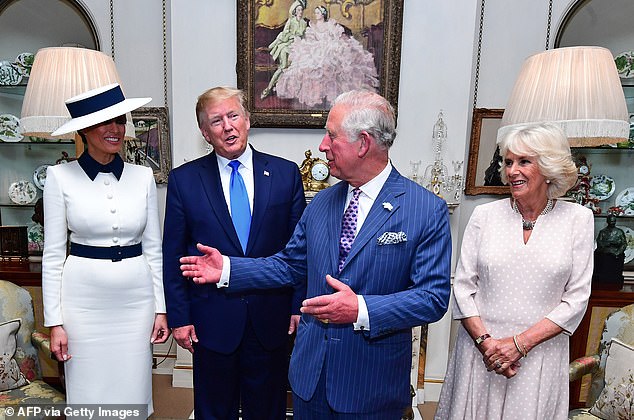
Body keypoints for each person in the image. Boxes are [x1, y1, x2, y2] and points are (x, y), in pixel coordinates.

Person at [179, 89, 452, 419]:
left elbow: (432, 298)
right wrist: (228, 270)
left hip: (370, 384)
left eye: (331, 136)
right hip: (310, 379)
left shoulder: (425, 209)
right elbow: (290, 265)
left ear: (363, 143)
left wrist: (361, 309)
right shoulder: (323, 203)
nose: (322, 145)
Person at [162, 86, 306, 420]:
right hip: (211, 319)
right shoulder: (184, 181)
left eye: (233, 115)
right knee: (214, 410)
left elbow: (300, 253)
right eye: (216, 121)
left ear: (247, 120)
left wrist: (298, 304)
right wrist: (179, 317)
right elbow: (173, 255)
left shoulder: (285, 174)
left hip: (271, 318)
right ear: (205, 133)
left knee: (267, 409)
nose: (228, 126)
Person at [435, 123, 594, 419]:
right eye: (508, 162)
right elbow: (463, 286)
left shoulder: (578, 220)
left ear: (548, 167)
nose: (511, 171)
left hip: (539, 357)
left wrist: (520, 345)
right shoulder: (484, 215)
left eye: (524, 162)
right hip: (480, 353)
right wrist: (487, 344)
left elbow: (576, 299)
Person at [42, 83, 169, 413]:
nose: (115, 130)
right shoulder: (59, 177)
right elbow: (53, 256)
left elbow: (154, 249)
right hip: (82, 306)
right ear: (84, 129)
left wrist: (160, 308)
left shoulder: (142, 177)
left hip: (135, 303)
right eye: (105, 122)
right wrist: (55, 322)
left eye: (119, 121)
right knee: (89, 392)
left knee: (133, 389)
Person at [276, 6, 379, 108]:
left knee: (331, 62)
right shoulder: (313, 26)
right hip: (317, 48)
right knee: (308, 64)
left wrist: (332, 42)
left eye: (318, 13)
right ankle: (315, 94)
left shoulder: (329, 24)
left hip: (329, 47)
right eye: (315, 12)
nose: (316, 15)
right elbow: (311, 38)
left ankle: (330, 95)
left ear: (323, 14)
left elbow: (336, 36)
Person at [260, 0, 308, 100]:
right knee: (283, 67)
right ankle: (268, 88)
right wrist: (293, 36)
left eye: (301, 10)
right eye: (298, 10)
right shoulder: (291, 21)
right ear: (295, 11)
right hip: (286, 46)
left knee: (300, 67)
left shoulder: (304, 23)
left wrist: (302, 39)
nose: (300, 12)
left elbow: (304, 36)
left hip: (297, 47)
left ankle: (291, 90)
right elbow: (284, 33)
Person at [592, 213, 627, 289]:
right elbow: (600, 243)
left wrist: (617, 252)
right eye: (611, 221)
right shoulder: (603, 232)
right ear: (607, 221)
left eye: (614, 221)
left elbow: (624, 244)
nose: (612, 223)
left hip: (616, 255)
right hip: (605, 256)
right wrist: (610, 244)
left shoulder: (619, 232)